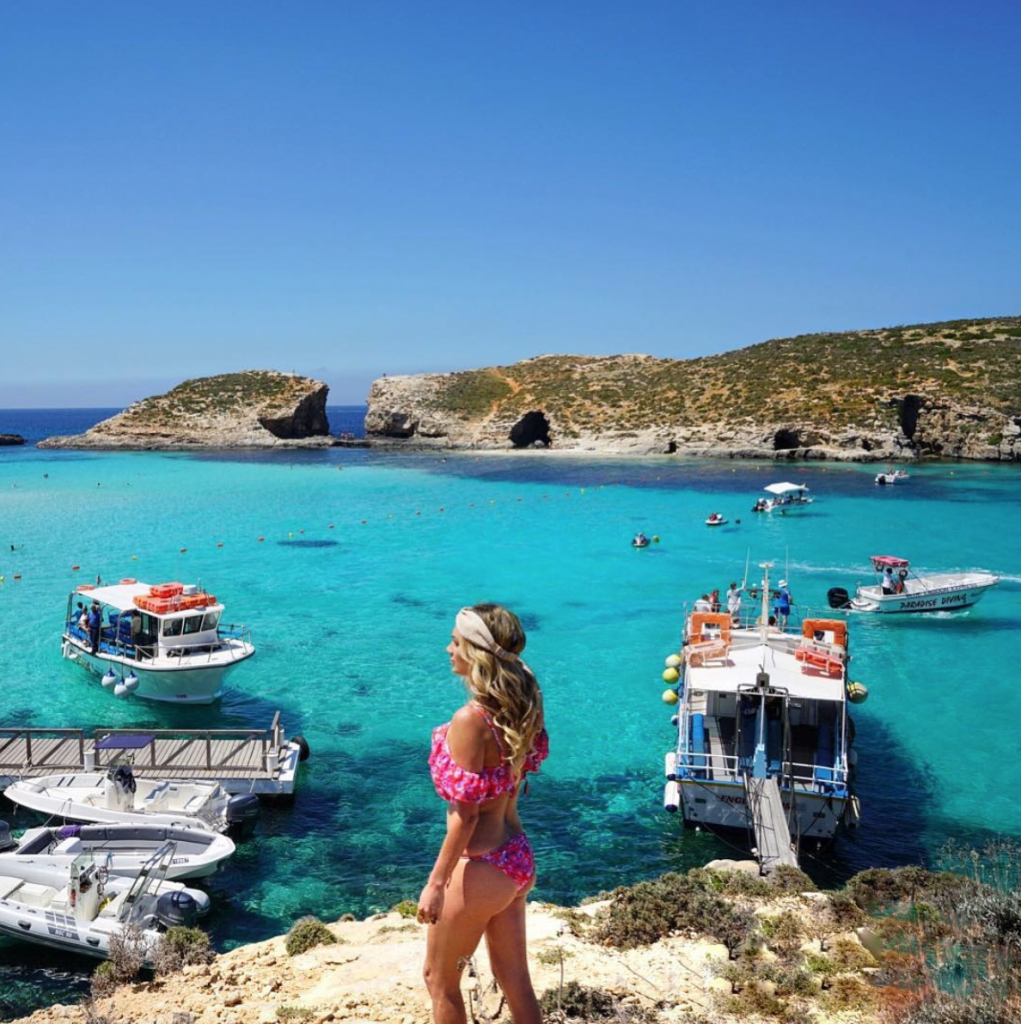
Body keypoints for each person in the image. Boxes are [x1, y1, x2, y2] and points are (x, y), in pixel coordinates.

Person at [420, 604, 547, 1024]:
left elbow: (466, 817)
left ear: (476, 652)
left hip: (481, 867)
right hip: (516, 857)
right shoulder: (526, 700)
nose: (447, 649)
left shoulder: (470, 720)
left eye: (455, 642)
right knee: (514, 978)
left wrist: (437, 883)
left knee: (439, 982)